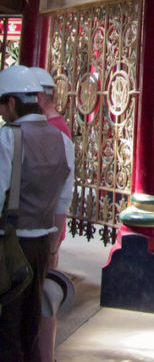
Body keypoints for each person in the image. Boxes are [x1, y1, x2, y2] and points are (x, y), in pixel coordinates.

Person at [0, 64, 74, 361]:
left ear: (13, 102)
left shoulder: (8, 139)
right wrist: (54, 243)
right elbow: (62, 201)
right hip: (43, 243)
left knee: (8, 323)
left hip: (10, 244)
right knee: (32, 321)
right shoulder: (63, 141)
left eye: (2, 105)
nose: (3, 113)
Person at [29, 67, 72, 362]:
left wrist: (56, 236)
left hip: (39, 229)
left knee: (40, 297)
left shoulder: (53, 132)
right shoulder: (55, 129)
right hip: (46, 227)